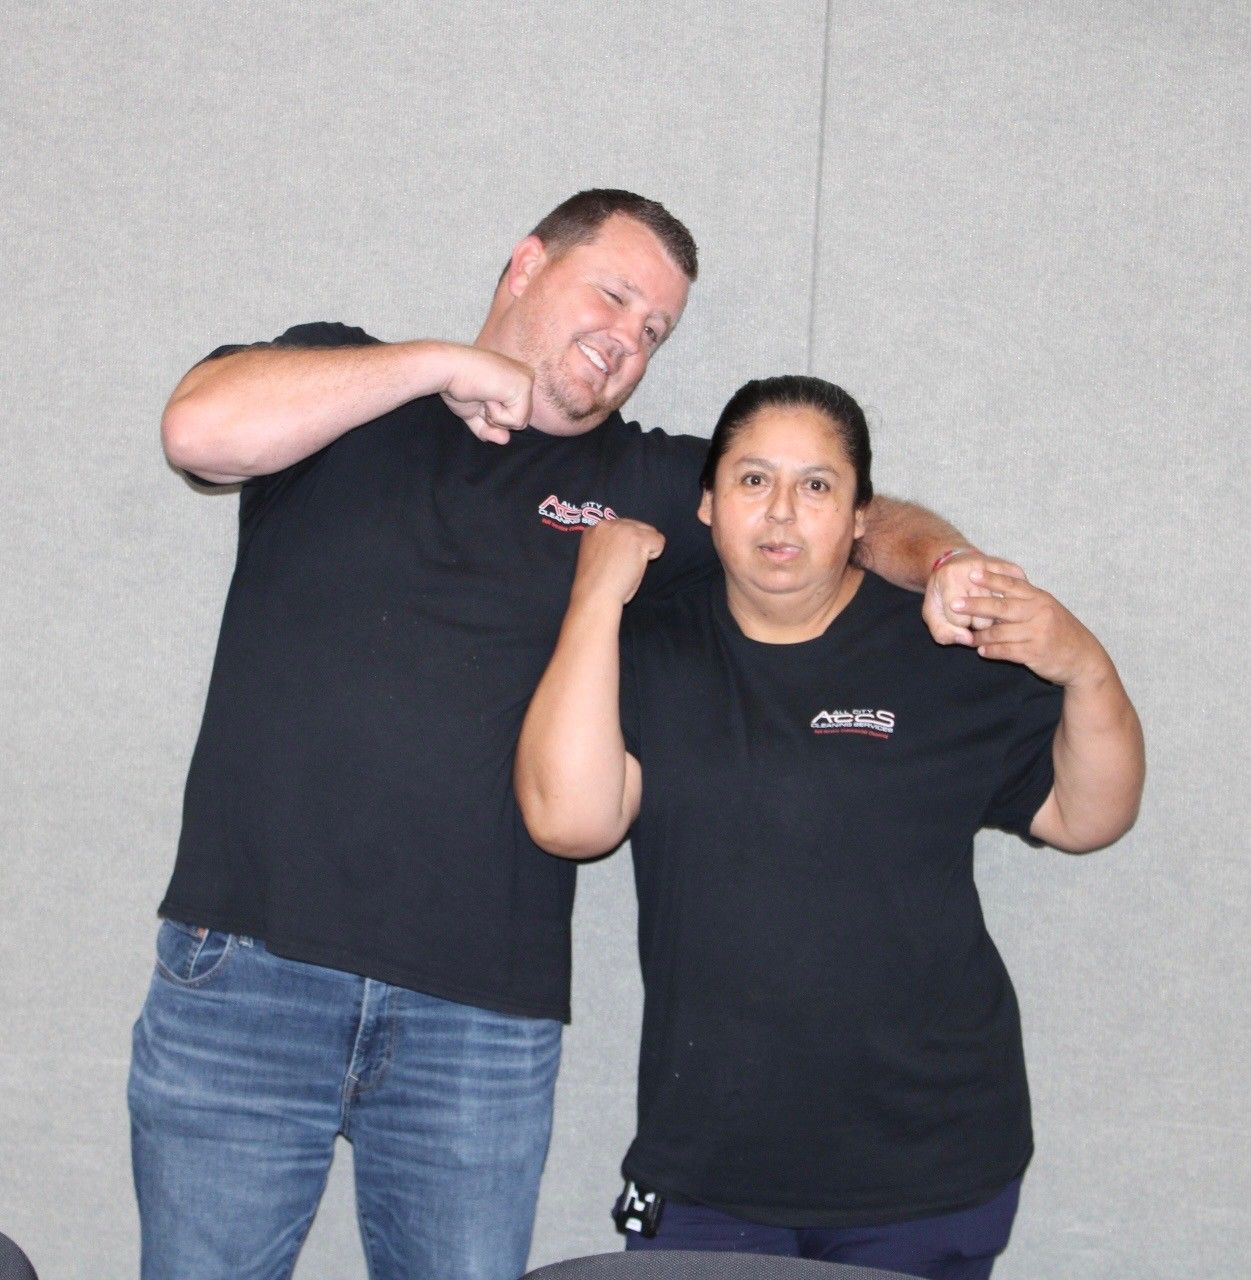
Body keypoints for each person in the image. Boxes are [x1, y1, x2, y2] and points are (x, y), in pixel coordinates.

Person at [130, 191, 1006, 1280]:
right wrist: (435, 366)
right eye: (616, 294)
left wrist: (947, 558)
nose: (628, 340)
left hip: (476, 1017)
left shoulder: (635, 482)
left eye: (656, 332)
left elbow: (843, 519)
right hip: (250, 973)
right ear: (527, 261)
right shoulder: (345, 378)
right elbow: (198, 430)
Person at [515, 375, 1145, 1280]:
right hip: (711, 1165)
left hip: (928, 1161)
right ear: (706, 504)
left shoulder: (938, 654)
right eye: (751, 479)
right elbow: (569, 822)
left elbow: (1088, 816)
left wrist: (1085, 668)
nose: (781, 512)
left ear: (858, 517)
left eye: (816, 486)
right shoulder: (646, 646)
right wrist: (594, 600)